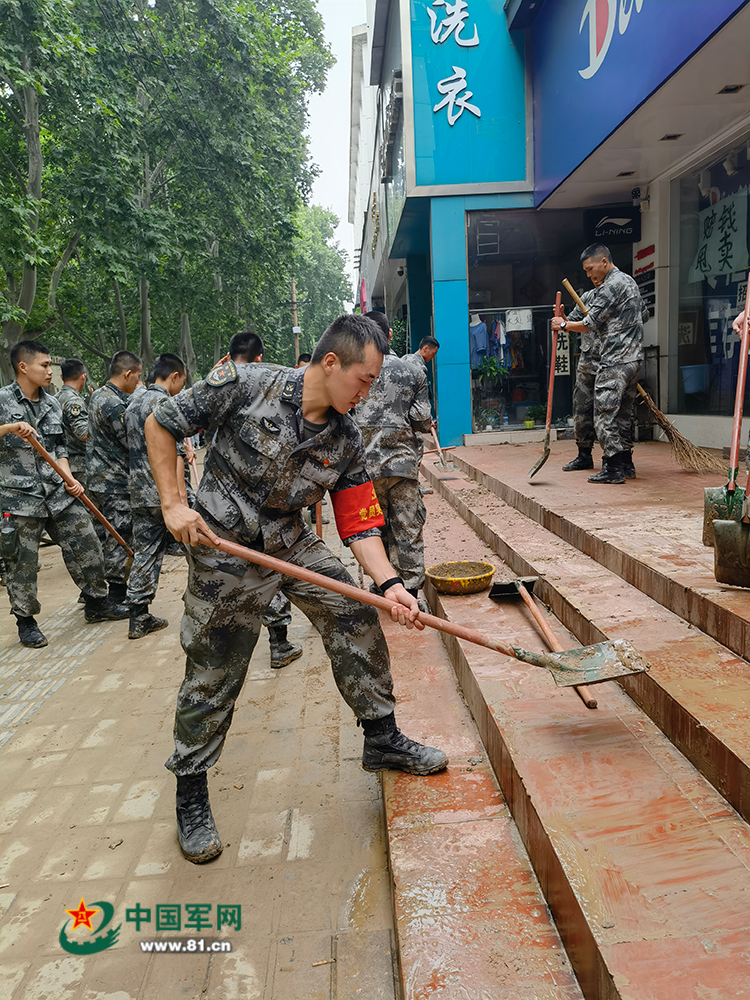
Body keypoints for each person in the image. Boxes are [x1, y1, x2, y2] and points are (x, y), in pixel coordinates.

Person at [145, 313, 448, 864]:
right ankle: (190, 789)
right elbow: (162, 424)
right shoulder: (246, 384)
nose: (368, 393)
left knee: (354, 610)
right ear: (331, 363)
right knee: (216, 665)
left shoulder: (347, 438)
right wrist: (172, 502)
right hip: (224, 546)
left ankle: (381, 738)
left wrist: (391, 584)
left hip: (288, 541)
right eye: (364, 381)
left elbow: (359, 522)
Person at [0, 342, 128, 648]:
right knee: (22, 562)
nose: (49, 371)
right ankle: (26, 621)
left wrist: (69, 477)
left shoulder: (53, 403)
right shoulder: (2, 400)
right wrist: (9, 427)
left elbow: (59, 448)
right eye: (44, 365)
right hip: (19, 498)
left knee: (87, 541)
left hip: (57, 492)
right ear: (23, 367)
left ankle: (97, 603)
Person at [226, 330, 303, 669]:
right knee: (268, 571)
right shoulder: (272, 390)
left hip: (225, 515)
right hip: (265, 515)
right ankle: (279, 642)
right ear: (259, 357)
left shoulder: (220, 384)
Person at [355, 311, 432, 605]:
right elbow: (422, 420)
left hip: (363, 469)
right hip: (402, 464)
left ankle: (383, 584)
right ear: (389, 336)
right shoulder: (413, 372)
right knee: (408, 526)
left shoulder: (353, 371)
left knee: (375, 526)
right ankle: (410, 592)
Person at [552, 245, 644, 484]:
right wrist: (564, 319)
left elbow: (590, 323)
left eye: (591, 269)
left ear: (604, 262)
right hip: (631, 358)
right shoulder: (628, 282)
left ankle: (613, 469)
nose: (589, 275)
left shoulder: (612, 285)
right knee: (621, 415)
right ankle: (624, 465)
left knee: (604, 415)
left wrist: (562, 326)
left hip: (614, 360)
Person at [125, 353, 188, 640]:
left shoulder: (133, 402)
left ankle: (138, 616)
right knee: (197, 546)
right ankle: (210, 598)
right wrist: (181, 498)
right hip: (164, 490)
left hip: (139, 490)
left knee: (145, 552)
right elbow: (174, 454)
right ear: (174, 376)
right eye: (182, 381)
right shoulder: (165, 404)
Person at [86, 350, 142, 603]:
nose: (138, 383)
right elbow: (130, 441)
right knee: (120, 536)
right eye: (137, 377)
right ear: (127, 373)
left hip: (97, 478)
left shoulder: (98, 395)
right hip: (115, 481)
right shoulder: (114, 403)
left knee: (102, 536)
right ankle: (117, 595)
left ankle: (95, 594)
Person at [57, 358, 89, 490]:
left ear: (61, 377)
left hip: (63, 462)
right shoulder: (74, 401)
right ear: (83, 377)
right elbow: (83, 434)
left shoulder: (55, 398)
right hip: (78, 465)